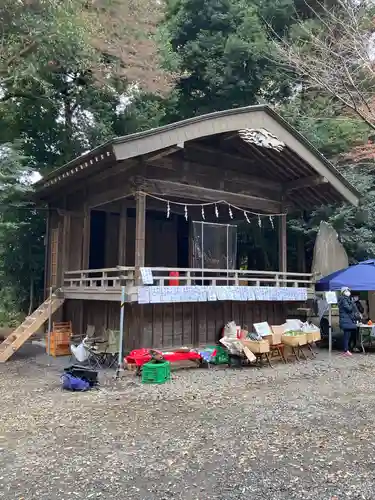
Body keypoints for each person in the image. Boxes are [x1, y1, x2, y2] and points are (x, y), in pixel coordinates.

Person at [338, 287, 361, 356]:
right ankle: (346, 350)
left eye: (349, 291)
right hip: (346, 320)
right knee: (346, 336)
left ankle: (348, 348)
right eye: (347, 291)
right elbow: (349, 309)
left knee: (349, 335)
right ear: (343, 292)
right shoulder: (343, 299)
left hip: (348, 320)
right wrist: (352, 302)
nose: (348, 292)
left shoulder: (346, 299)